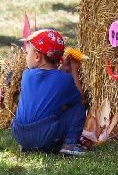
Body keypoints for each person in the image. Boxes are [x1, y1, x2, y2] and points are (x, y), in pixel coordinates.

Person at [10, 28, 89, 156]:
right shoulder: (64, 79)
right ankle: (70, 145)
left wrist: (61, 70)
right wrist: (74, 70)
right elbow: (80, 98)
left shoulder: (26, 75)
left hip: (18, 132)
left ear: (37, 57)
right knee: (78, 108)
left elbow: (48, 83)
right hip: (45, 135)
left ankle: (28, 146)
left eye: (27, 53)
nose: (26, 56)